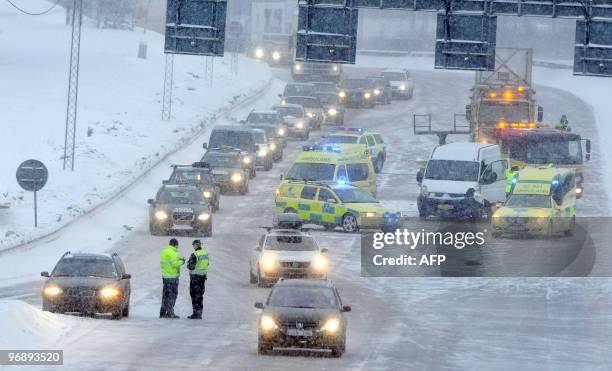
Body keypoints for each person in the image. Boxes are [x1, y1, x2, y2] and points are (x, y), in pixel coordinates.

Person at [160, 238, 185, 318]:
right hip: (172, 277)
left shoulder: (164, 251)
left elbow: (164, 264)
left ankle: (162, 312)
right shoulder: (173, 253)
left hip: (165, 277)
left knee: (165, 295)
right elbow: (175, 264)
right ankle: (170, 313)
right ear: (175, 245)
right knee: (172, 295)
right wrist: (182, 261)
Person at [187, 240, 209, 319]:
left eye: (193, 245)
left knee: (194, 295)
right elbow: (206, 264)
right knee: (200, 295)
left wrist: (188, 263)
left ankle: (195, 313)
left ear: (196, 246)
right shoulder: (205, 253)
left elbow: (190, 266)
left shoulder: (195, 254)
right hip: (202, 277)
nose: (193, 247)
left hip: (195, 277)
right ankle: (199, 313)